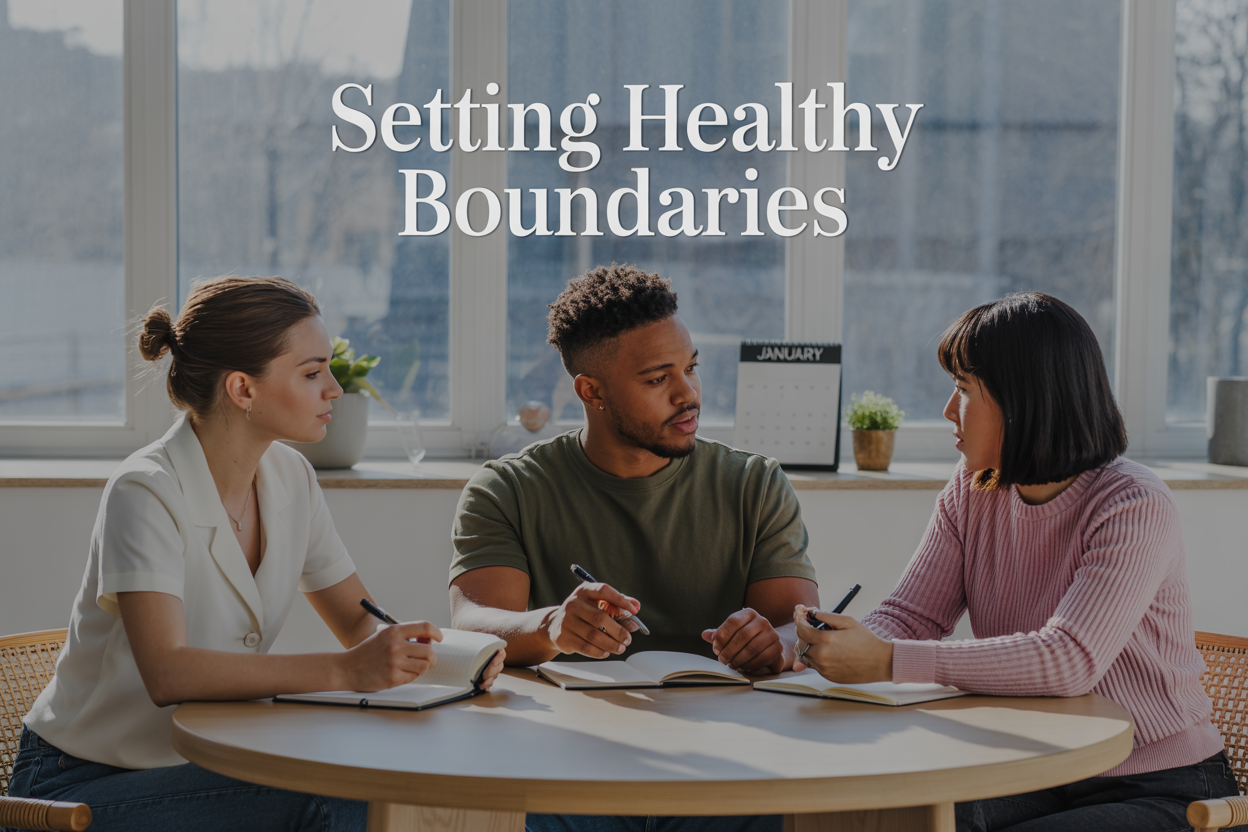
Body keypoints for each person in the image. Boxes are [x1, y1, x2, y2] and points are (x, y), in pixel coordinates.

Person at [7, 276, 504, 832]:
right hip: (82, 783)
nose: (335, 389)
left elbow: (362, 625)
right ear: (243, 389)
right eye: (313, 373)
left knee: (391, 774)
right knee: (322, 800)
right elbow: (168, 672)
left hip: (205, 762)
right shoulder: (144, 490)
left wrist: (455, 660)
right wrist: (346, 671)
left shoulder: (290, 477)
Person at [791, 292, 1241, 832]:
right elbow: (910, 617)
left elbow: (1069, 658)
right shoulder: (973, 490)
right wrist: (836, 643)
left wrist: (888, 660)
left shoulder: (1132, 503)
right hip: (1032, 768)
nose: (947, 411)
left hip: (1163, 784)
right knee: (881, 816)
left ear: (1026, 401)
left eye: (963, 390)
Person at [449, 263, 820, 832]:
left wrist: (776, 643)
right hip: (565, 758)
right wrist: (549, 626)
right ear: (590, 391)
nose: (688, 393)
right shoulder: (508, 488)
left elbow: (796, 625)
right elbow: (472, 626)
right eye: (657, 379)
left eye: (691, 368)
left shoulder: (755, 483)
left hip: (729, 760)